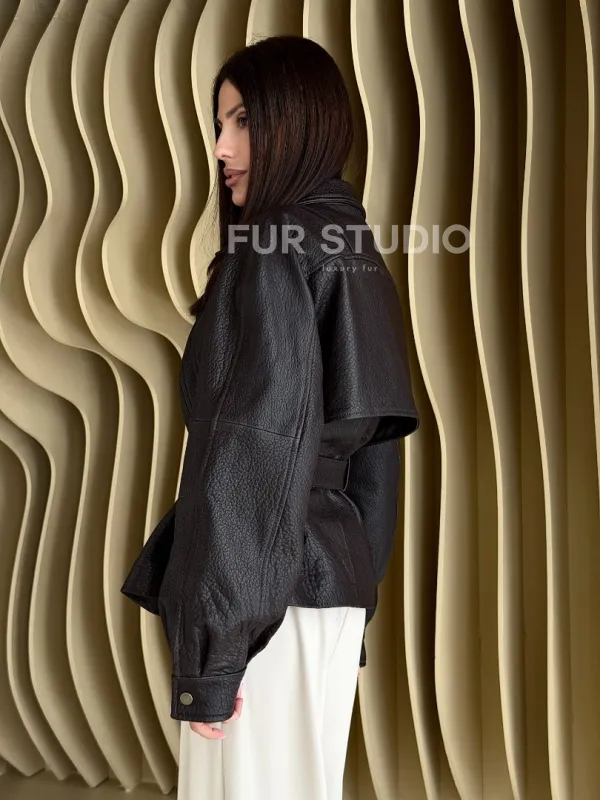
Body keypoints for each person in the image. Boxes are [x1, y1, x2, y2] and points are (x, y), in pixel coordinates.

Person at [121, 34, 419, 800]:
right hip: (324, 598)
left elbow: (252, 451)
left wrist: (216, 655)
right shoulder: (352, 245)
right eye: (218, 123)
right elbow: (377, 460)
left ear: (299, 119)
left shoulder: (271, 248)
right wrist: (350, 597)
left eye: (244, 120)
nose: (222, 148)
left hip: (264, 607)